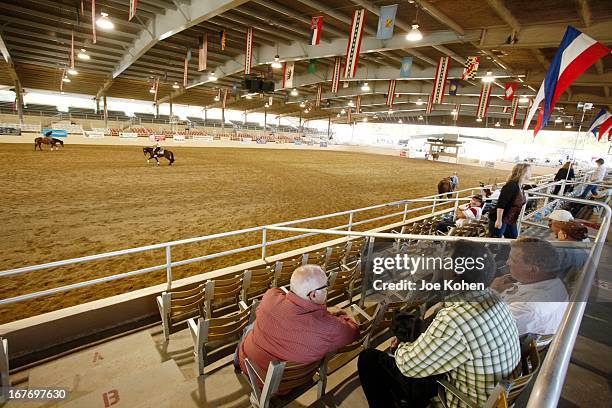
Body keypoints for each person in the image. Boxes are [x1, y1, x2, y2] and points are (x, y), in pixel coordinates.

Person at [358, 241, 520, 408]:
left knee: (368, 359)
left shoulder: (455, 319)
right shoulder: (494, 298)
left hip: (462, 399)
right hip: (490, 391)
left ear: (455, 274)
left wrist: (402, 347)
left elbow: (407, 365)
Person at [237, 265, 359, 389]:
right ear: (313, 295)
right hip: (285, 384)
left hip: (248, 362)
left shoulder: (270, 296)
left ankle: (236, 361)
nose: (327, 290)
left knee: (253, 325)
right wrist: (340, 313)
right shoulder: (329, 327)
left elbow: (278, 291)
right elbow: (354, 331)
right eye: (325, 287)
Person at [491, 237, 568, 338]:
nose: (507, 263)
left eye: (513, 260)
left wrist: (492, 292)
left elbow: (484, 329)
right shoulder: (551, 281)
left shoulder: (529, 307)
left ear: (533, 269)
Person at [490, 163, 532, 239]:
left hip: (511, 220)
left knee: (513, 239)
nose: (531, 173)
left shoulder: (520, 186)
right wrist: (499, 220)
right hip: (501, 218)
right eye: (529, 171)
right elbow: (501, 204)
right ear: (523, 172)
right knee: (495, 243)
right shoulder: (511, 185)